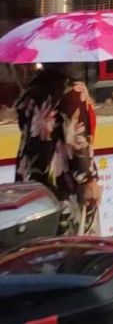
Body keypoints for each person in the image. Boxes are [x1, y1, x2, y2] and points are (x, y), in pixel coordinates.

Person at [15, 63, 100, 235]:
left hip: (31, 180)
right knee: (71, 242)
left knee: (38, 239)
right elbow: (76, 140)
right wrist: (88, 180)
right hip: (62, 182)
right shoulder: (73, 91)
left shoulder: (32, 89)